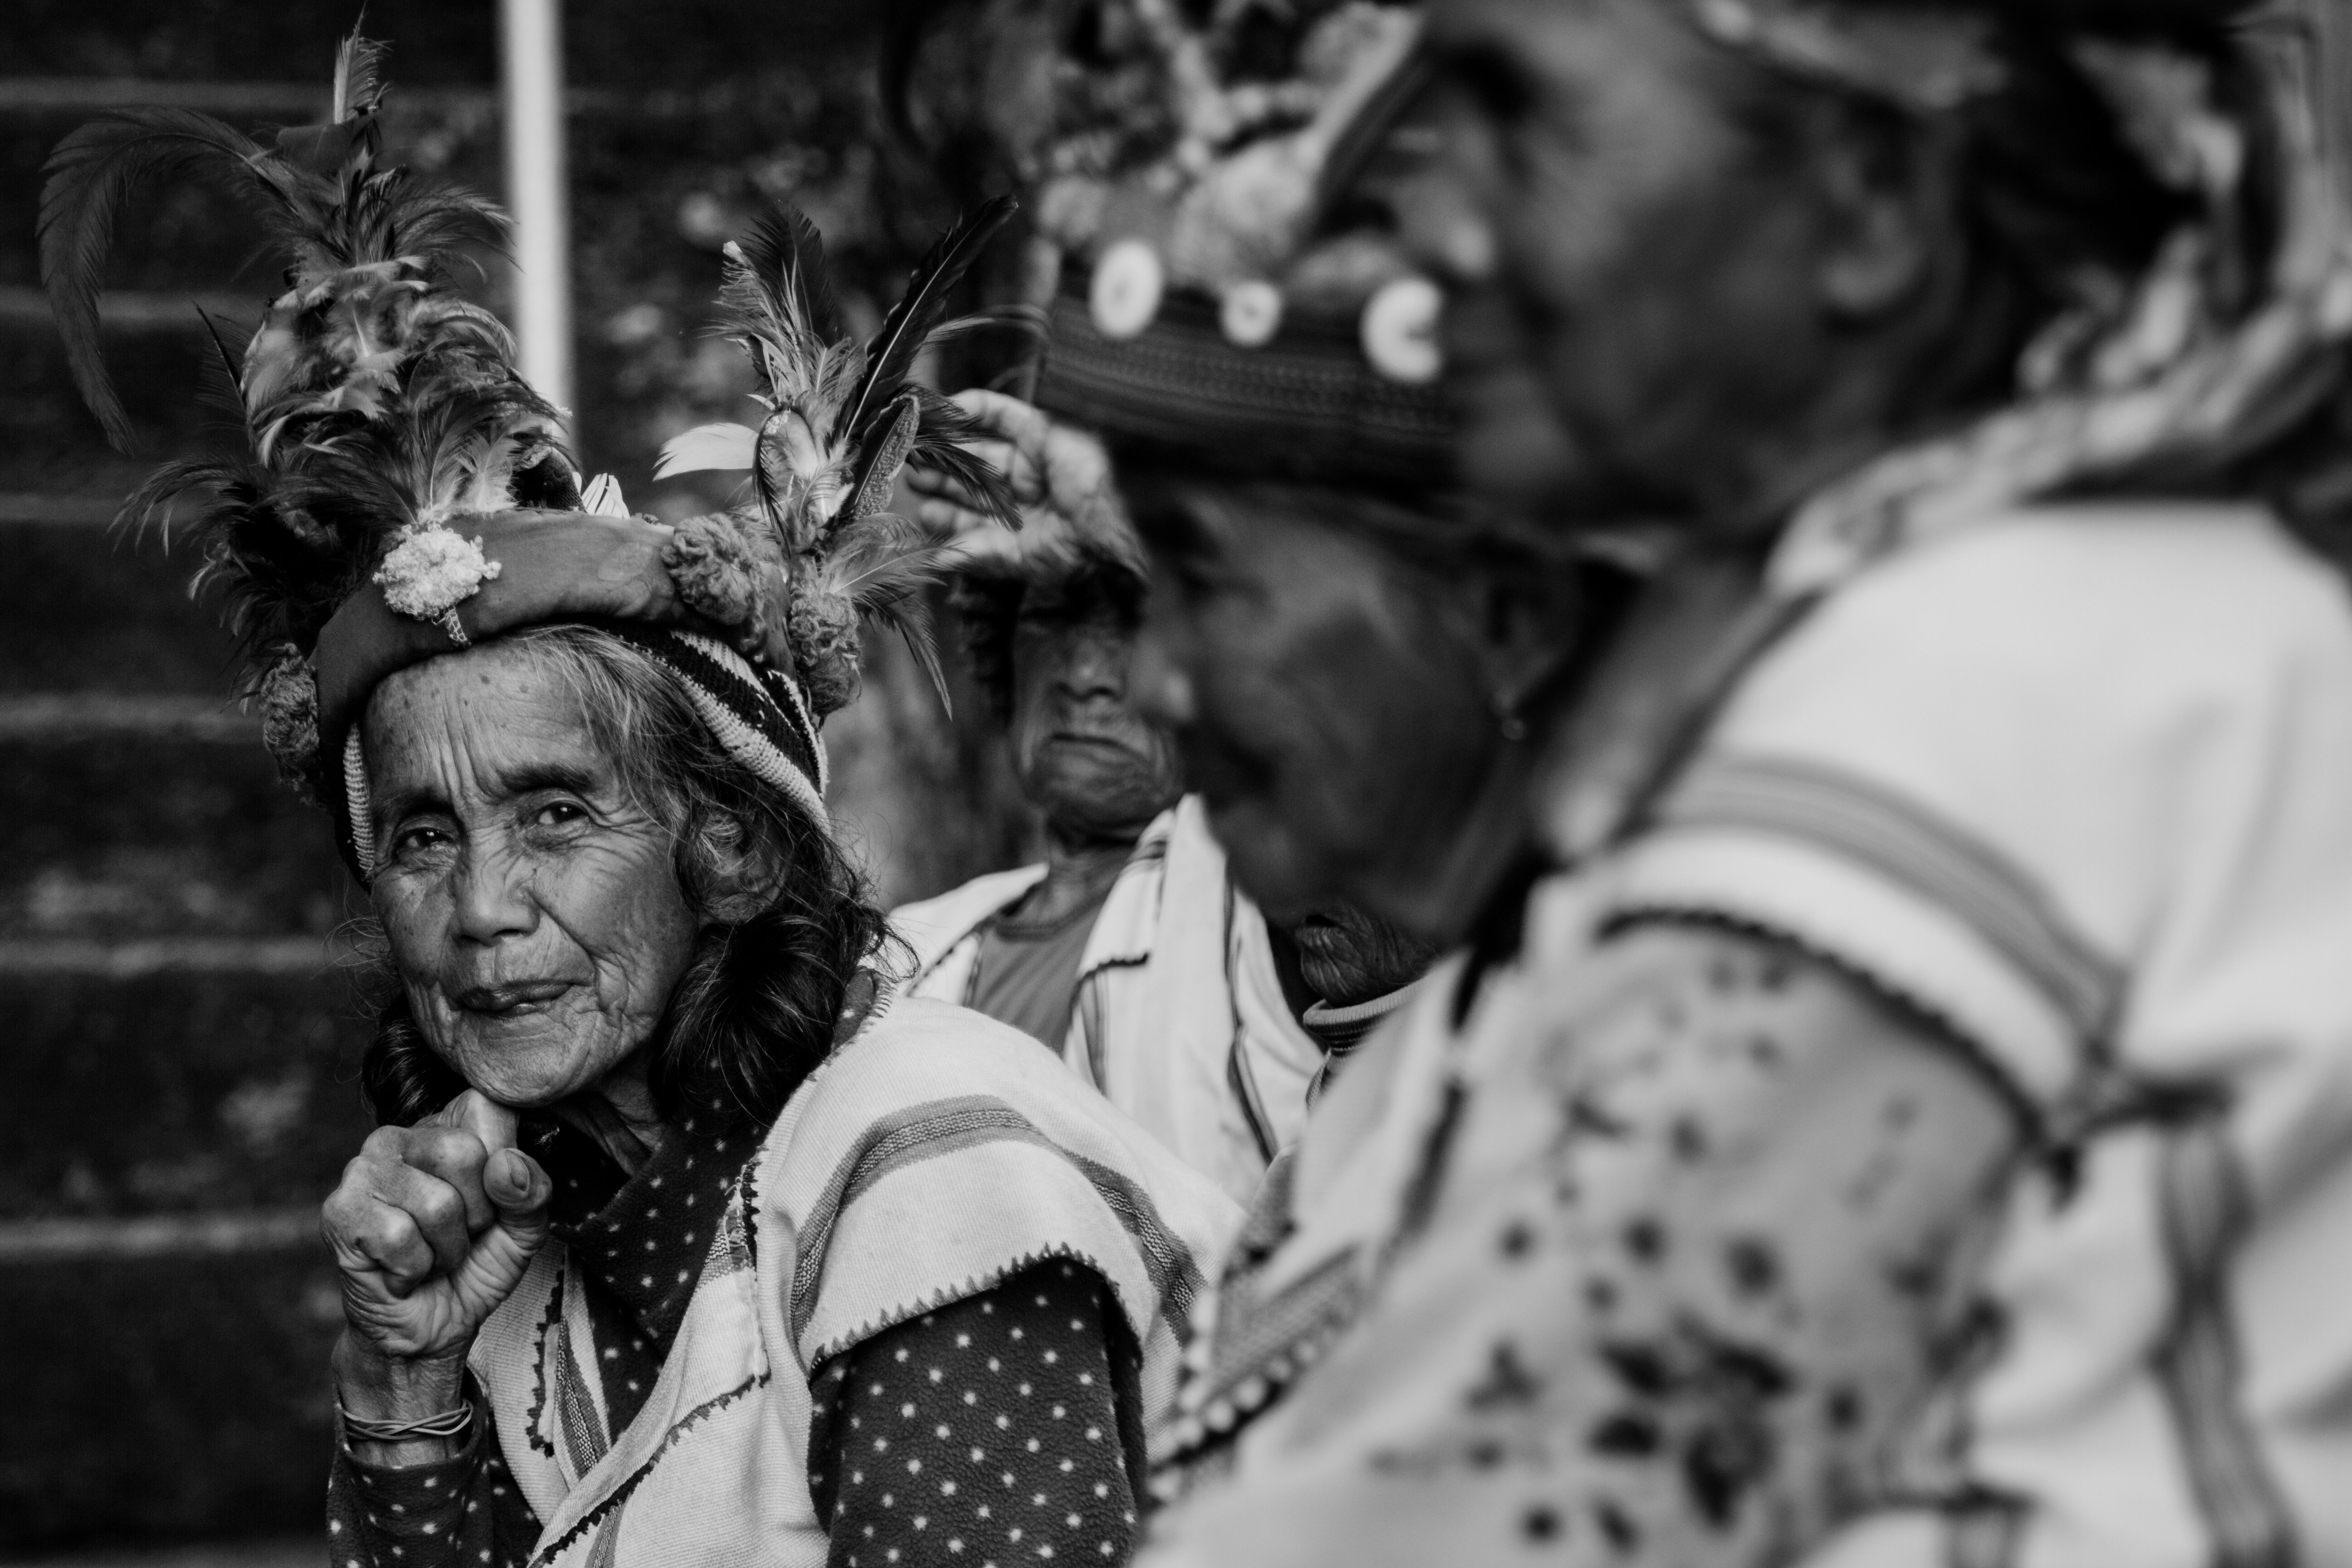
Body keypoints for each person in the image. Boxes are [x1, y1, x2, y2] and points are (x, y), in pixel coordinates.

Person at [1115, 0, 2352, 1564]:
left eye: (1514, 111)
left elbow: (1479, 1514)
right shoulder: (2145, 624)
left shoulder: (1962, 707)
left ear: (1869, 207)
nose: (1426, 215)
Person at [43, 48, 1237, 1568]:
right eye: (421, 835)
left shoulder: (930, 1185)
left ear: (727, 846)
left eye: (553, 814)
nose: (480, 911)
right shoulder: (551, 1228)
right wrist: (402, 1378)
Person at [896, 453, 1439, 1202]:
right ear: (1003, 652)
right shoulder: (909, 949)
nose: (1084, 674)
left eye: (1131, 619)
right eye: (1051, 616)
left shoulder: (1252, 874)